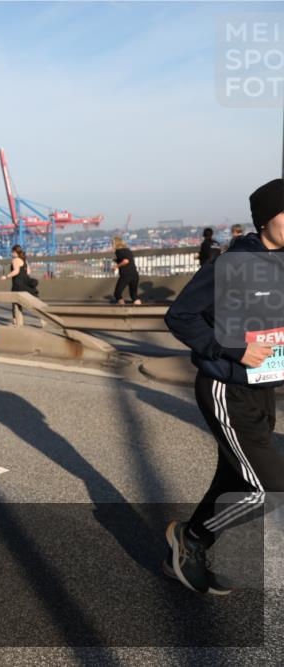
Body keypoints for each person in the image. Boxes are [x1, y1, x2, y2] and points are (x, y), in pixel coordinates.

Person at [163, 178, 284, 595]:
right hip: (225, 389)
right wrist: (232, 349)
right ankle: (191, 536)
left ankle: (189, 550)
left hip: (262, 392)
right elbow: (180, 316)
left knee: (234, 481)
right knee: (270, 488)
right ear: (266, 219)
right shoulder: (230, 264)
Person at [1, 245, 37, 325]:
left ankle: (16, 321)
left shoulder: (15, 260)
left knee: (15, 302)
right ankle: (41, 317)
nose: (11, 254)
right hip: (25, 282)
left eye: (12, 252)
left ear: (14, 252)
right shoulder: (24, 260)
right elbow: (28, 272)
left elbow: (16, 271)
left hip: (17, 283)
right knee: (29, 301)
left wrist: (6, 276)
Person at [112, 236, 141, 305]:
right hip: (134, 275)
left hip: (126, 275)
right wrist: (117, 260)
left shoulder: (118, 251)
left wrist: (116, 266)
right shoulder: (128, 250)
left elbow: (126, 261)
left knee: (117, 294)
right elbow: (127, 259)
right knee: (134, 296)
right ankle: (141, 310)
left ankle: (122, 310)